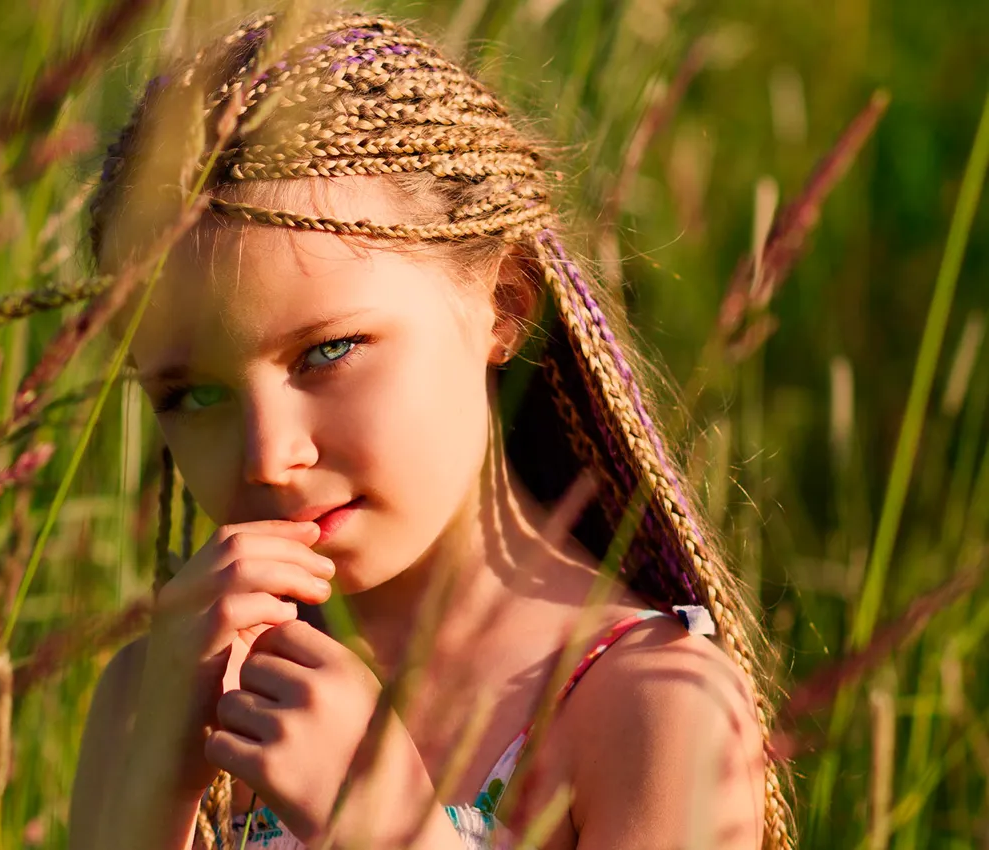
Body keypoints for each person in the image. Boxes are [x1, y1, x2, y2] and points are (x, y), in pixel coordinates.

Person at [69, 11, 790, 850]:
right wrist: (152, 788)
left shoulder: (656, 706)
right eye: (193, 397)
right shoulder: (158, 697)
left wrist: (396, 834)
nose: (270, 455)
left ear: (505, 301)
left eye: (328, 351)